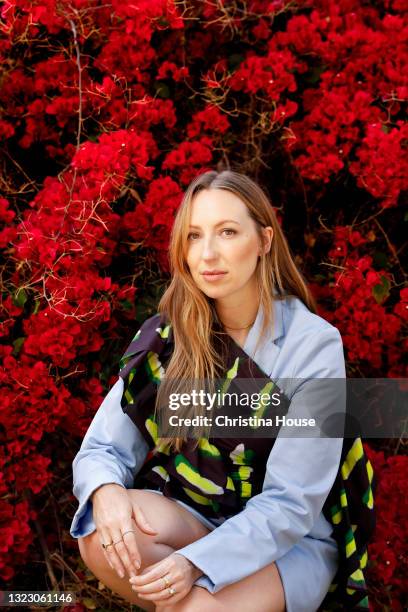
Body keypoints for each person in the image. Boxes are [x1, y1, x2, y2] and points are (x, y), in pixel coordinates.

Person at [71, 170, 374, 612]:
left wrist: (196, 564)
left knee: (196, 608)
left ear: (265, 241)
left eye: (227, 232)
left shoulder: (314, 345)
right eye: (194, 236)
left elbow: (290, 504)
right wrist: (107, 492)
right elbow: (102, 448)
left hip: (287, 543)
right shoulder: (170, 333)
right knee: (102, 536)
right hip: (197, 512)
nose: (208, 253)